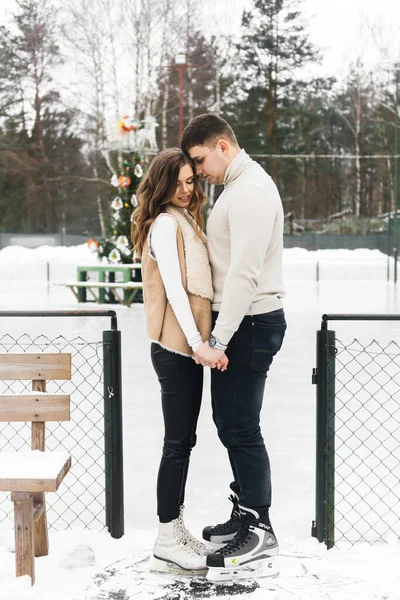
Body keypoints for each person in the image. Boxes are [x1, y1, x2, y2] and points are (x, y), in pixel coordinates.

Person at [181, 114, 287, 582]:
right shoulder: (238, 187)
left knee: (241, 426)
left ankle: (260, 527)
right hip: (241, 323)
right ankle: (245, 512)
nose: (198, 171)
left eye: (200, 160)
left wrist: (218, 339)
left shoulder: (249, 193)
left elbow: (244, 275)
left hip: (249, 322)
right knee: (231, 422)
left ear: (222, 145)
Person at [131, 148, 228, 576]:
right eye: (177, 182)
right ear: (161, 183)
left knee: (183, 442)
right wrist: (197, 344)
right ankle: (166, 540)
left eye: (191, 181)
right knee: (176, 445)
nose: (186, 190)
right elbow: (174, 288)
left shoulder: (183, 218)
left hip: (185, 347)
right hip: (175, 350)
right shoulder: (166, 224)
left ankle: (174, 528)